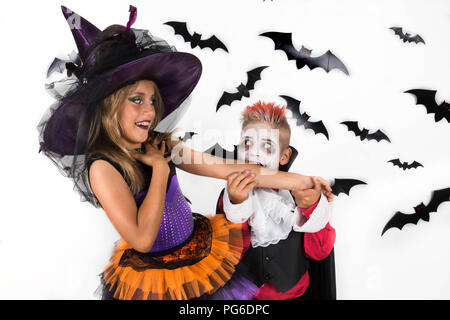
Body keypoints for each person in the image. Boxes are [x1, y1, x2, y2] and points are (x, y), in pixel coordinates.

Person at [38, 6, 333, 300]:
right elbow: (141, 238)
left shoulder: (160, 144)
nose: (150, 110)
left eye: (153, 100)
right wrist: (160, 171)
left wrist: (304, 182)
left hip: (198, 253)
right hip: (157, 278)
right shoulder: (102, 167)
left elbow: (231, 170)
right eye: (137, 99)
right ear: (108, 106)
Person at [219, 101, 336, 300]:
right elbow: (230, 256)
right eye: (247, 143)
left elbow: (320, 252)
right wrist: (237, 204)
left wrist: (311, 207)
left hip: (296, 295)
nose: (253, 153)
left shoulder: (299, 194)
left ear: (284, 156)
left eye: (266, 146)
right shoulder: (229, 195)